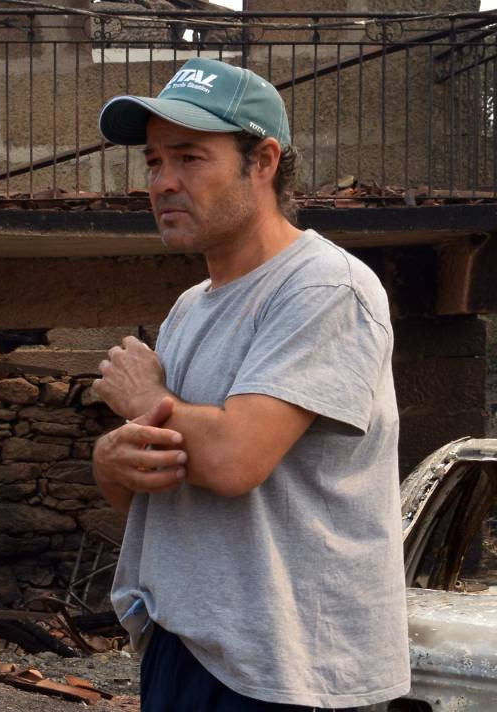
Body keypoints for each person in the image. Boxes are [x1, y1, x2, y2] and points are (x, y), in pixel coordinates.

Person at [91, 58, 410, 711]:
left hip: (287, 671)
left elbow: (234, 460)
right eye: (154, 162)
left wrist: (148, 400)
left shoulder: (325, 288)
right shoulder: (189, 309)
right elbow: (163, 500)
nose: (164, 182)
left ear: (263, 161)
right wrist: (110, 463)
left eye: (190, 158)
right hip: (191, 648)